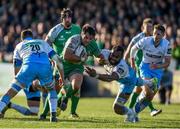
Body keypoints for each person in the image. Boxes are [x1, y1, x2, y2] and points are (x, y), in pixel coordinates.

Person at [0, 29, 65, 122]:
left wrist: (19, 82)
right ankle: (53, 116)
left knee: (9, 93)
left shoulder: (19, 45)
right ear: (32, 37)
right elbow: (58, 60)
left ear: (22, 39)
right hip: (44, 68)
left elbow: (17, 66)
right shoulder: (42, 42)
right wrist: (62, 78)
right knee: (51, 90)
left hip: (28, 68)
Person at [85, 45, 158, 123]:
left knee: (117, 108)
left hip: (128, 83)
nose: (113, 58)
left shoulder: (121, 66)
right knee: (137, 81)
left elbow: (110, 78)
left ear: (121, 58)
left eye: (117, 57)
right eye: (112, 55)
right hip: (128, 75)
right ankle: (150, 82)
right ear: (110, 52)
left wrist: (96, 75)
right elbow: (94, 51)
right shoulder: (105, 53)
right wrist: (95, 57)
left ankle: (131, 113)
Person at [40, 8, 82, 119]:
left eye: (69, 17)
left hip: (74, 64)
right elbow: (46, 45)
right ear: (62, 19)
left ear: (71, 18)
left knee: (76, 88)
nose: (67, 19)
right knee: (55, 89)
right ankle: (44, 113)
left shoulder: (78, 29)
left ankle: (73, 113)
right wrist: (52, 59)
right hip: (60, 65)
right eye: (65, 17)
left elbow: (83, 43)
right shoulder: (55, 30)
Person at [130, 24, 171, 121]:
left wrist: (157, 66)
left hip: (157, 70)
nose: (156, 36)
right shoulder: (146, 40)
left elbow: (167, 63)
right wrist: (132, 62)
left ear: (163, 35)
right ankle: (144, 106)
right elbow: (133, 49)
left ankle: (133, 113)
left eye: (159, 34)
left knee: (150, 95)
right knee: (147, 90)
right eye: (154, 33)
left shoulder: (167, 45)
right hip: (145, 67)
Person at [124, 18, 161, 116]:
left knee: (139, 90)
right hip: (140, 67)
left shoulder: (154, 39)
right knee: (147, 88)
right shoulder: (139, 38)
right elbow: (129, 51)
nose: (150, 29)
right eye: (147, 27)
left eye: (151, 27)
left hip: (151, 68)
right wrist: (124, 64)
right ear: (142, 27)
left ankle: (130, 110)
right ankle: (152, 109)